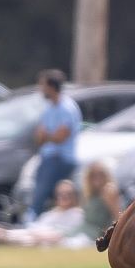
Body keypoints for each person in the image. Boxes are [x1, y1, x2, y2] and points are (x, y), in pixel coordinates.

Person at [26, 68, 81, 222]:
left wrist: (47, 136)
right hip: (48, 157)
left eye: (43, 85)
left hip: (61, 159)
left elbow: (61, 136)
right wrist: (49, 136)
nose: (41, 89)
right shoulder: (49, 108)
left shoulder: (67, 108)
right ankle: (38, 221)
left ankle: (31, 221)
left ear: (51, 87)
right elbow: (39, 136)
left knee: (41, 193)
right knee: (42, 193)